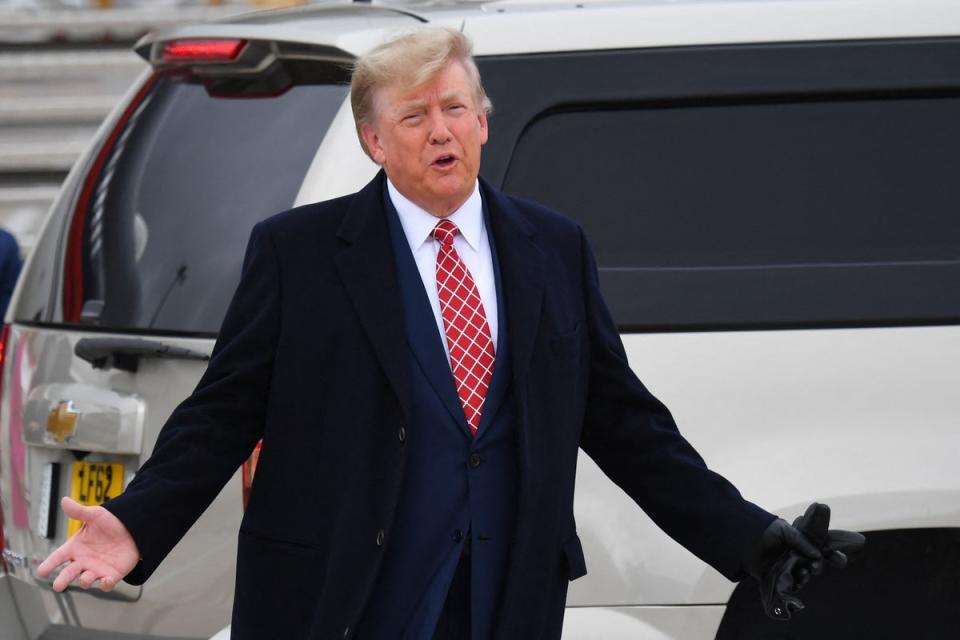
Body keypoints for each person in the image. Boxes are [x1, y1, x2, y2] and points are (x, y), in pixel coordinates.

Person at [38, 27, 862, 639]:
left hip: (503, 599)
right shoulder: (299, 253)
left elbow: (624, 422)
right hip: (347, 599)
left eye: (456, 109)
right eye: (414, 115)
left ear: (483, 123)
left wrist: (750, 538)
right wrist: (139, 521)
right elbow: (223, 411)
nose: (441, 130)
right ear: (373, 140)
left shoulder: (554, 248)